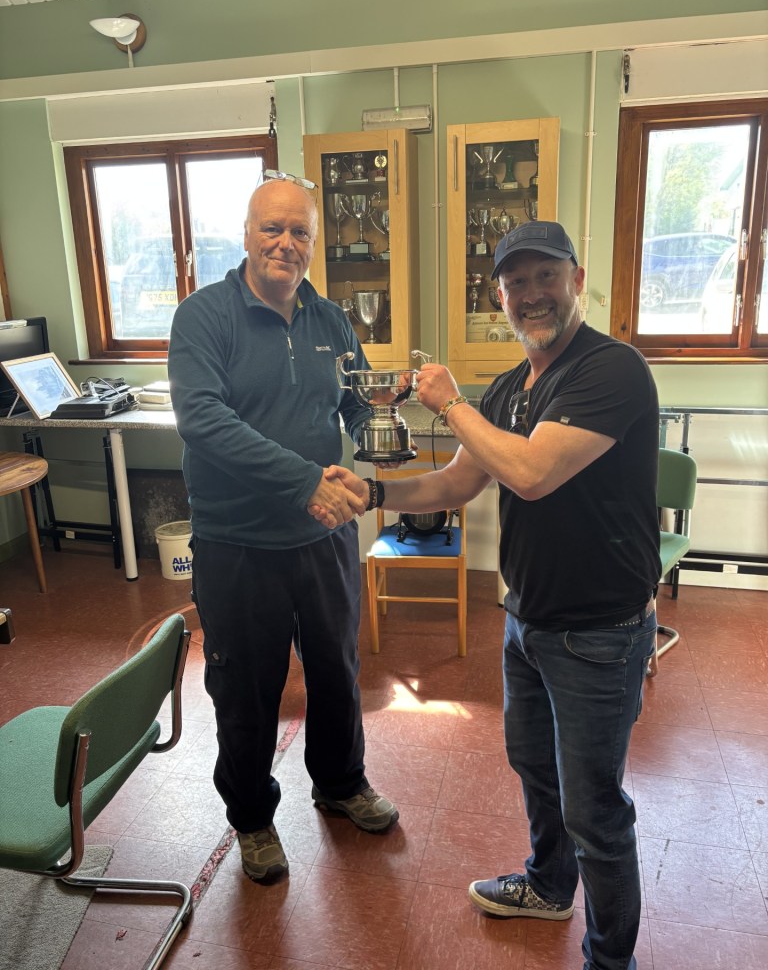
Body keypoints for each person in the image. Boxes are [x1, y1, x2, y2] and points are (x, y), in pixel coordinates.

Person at [316, 221, 660, 970]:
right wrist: (373, 492)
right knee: (535, 769)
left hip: (600, 631)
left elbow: (531, 473)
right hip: (527, 617)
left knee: (595, 810)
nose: (532, 294)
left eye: (546, 277)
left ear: (576, 279)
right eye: (515, 282)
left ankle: (611, 961)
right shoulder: (508, 389)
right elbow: (454, 483)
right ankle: (549, 885)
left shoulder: (613, 369)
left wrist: (449, 404)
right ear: (499, 296)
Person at [168, 172, 398, 886]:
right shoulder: (204, 317)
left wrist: (380, 422)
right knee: (245, 690)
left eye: (300, 231)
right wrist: (305, 483)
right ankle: (252, 819)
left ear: (314, 243)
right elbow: (204, 421)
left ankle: (340, 781)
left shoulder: (331, 320)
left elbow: (354, 401)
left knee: (337, 673)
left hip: (325, 537)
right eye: (272, 228)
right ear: (246, 234)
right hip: (239, 543)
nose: (285, 243)